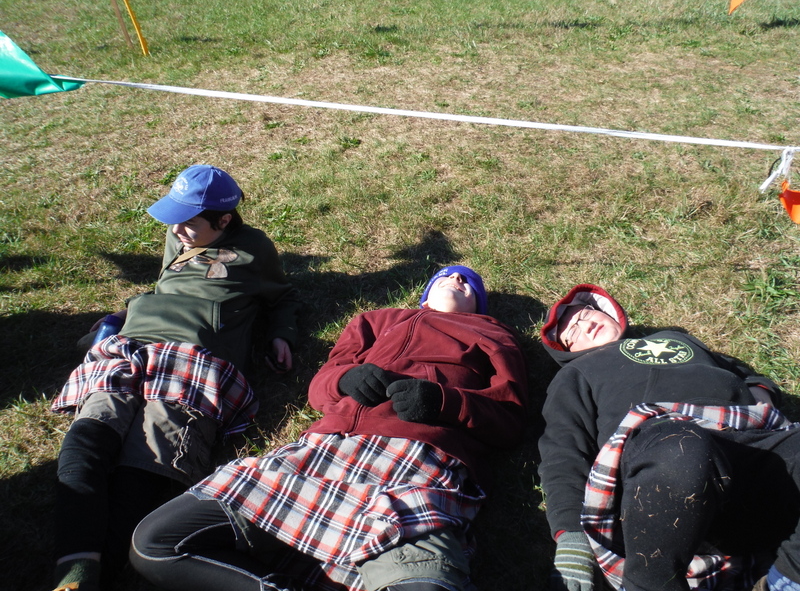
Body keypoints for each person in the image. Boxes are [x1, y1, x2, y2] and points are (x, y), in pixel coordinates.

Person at [129, 265, 529, 591]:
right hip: (320, 455)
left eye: (468, 282)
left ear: (479, 306)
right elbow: (321, 386)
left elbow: (509, 420)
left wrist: (444, 402)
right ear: (424, 295)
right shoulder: (376, 320)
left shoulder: (494, 335)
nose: (457, 278)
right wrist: (346, 379)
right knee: (154, 544)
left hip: (414, 468)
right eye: (446, 275)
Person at [51, 165, 302, 591]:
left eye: (188, 222)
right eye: (173, 219)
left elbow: (284, 295)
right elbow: (169, 283)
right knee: (86, 444)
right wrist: (124, 313)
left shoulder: (253, 247)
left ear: (224, 220)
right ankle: (74, 573)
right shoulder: (179, 237)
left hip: (194, 357)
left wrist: (283, 334)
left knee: (144, 466)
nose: (176, 230)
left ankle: (97, 578)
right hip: (133, 344)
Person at [538, 283, 800, 591]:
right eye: (572, 332)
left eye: (585, 313)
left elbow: (735, 369)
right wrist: (572, 538)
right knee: (681, 448)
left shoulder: (677, 339)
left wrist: (760, 391)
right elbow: (563, 451)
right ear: (567, 352)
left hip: (747, 441)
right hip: (664, 460)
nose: (585, 325)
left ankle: (785, 580)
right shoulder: (576, 373)